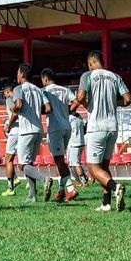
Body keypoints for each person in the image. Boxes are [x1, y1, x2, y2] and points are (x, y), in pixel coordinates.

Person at [70, 50, 131, 212]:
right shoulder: (115, 77)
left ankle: (115, 187)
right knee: (104, 167)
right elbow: (128, 99)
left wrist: (88, 105)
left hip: (96, 127)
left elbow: (81, 96)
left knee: (92, 168)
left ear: (91, 63)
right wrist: (113, 103)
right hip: (112, 126)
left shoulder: (87, 76)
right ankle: (106, 203)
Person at [7, 63, 53, 203]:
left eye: (17, 73)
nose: (17, 76)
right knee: (29, 164)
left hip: (26, 130)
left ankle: (44, 180)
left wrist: (10, 121)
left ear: (22, 74)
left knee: (22, 165)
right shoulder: (38, 89)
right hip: (38, 130)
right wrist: (34, 111)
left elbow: (19, 105)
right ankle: (32, 195)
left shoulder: (18, 88)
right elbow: (48, 108)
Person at [40, 68, 78, 203]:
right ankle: (61, 190)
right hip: (67, 127)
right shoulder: (64, 89)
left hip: (55, 128)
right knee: (61, 159)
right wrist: (68, 112)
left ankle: (70, 188)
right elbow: (76, 101)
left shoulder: (44, 91)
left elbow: (46, 108)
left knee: (59, 160)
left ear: (45, 79)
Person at [1, 86, 21, 196]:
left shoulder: (9, 99)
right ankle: (27, 182)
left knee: (8, 159)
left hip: (14, 130)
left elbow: (14, 112)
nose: (6, 96)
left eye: (6, 93)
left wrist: (8, 125)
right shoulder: (21, 98)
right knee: (23, 159)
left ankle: (10, 188)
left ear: (8, 92)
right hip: (24, 129)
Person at [68, 112, 89, 188]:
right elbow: (86, 125)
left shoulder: (69, 118)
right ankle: (80, 181)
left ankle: (83, 182)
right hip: (81, 142)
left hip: (74, 143)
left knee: (76, 164)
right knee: (74, 163)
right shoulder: (79, 117)